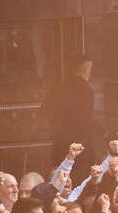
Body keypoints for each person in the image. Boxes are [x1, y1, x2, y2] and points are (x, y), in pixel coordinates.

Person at [45, 55, 99, 184]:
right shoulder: (87, 91)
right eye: (89, 69)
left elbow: (45, 110)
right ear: (85, 70)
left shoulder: (59, 89)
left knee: (61, 180)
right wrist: (103, 132)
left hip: (61, 143)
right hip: (81, 145)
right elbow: (87, 119)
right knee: (81, 181)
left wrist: (58, 127)